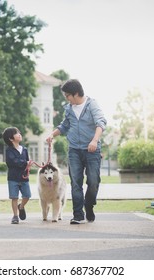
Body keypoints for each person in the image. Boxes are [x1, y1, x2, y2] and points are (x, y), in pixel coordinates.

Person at [46, 79, 106, 224]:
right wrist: (52, 134)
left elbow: (101, 123)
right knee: (75, 183)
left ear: (76, 93)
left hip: (92, 150)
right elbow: (64, 126)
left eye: (67, 95)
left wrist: (94, 140)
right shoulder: (69, 109)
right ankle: (78, 215)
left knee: (93, 182)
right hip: (74, 150)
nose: (66, 98)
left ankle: (89, 205)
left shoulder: (92, 105)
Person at [2, 127, 31, 224]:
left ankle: (21, 206)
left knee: (27, 196)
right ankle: (15, 216)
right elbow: (12, 162)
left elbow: (26, 162)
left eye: (19, 132)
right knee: (14, 197)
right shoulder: (9, 151)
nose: (19, 134)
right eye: (16, 133)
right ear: (11, 139)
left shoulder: (25, 150)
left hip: (24, 177)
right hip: (13, 178)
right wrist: (25, 162)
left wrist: (28, 164)